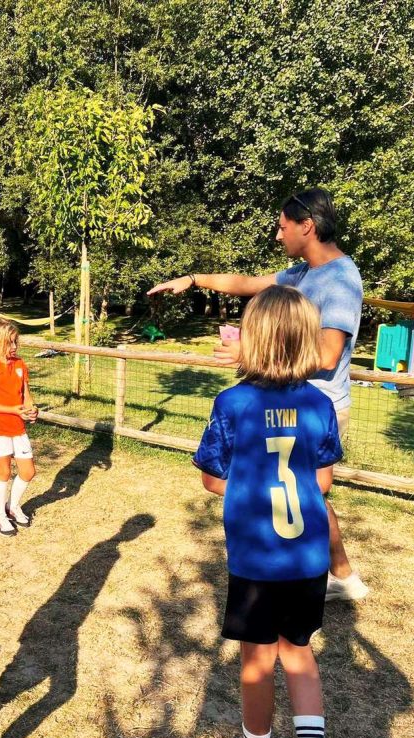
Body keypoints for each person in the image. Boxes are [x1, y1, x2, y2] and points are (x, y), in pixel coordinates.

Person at [148, 187, 369, 602]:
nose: (277, 235)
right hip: (285, 399)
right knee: (301, 492)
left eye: (283, 227)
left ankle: (318, 574)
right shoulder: (304, 273)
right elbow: (248, 284)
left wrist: (253, 352)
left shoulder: (339, 278)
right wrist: (194, 280)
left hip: (313, 406)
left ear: (307, 226)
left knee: (306, 493)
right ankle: (336, 573)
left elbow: (327, 354)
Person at [193, 286, 341, 738]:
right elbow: (321, 482)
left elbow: (213, 479)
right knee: (298, 651)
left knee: (258, 658)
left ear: (252, 340)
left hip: (258, 558)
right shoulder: (320, 403)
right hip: (307, 557)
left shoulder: (233, 403)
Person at [0, 318, 39, 536]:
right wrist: (13, 410)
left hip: (18, 428)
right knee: (3, 473)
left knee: (28, 471)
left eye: (15, 342)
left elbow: (26, 396)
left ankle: (12, 507)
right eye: (9, 343)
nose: (14, 347)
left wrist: (31, 410)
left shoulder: (20, 365)